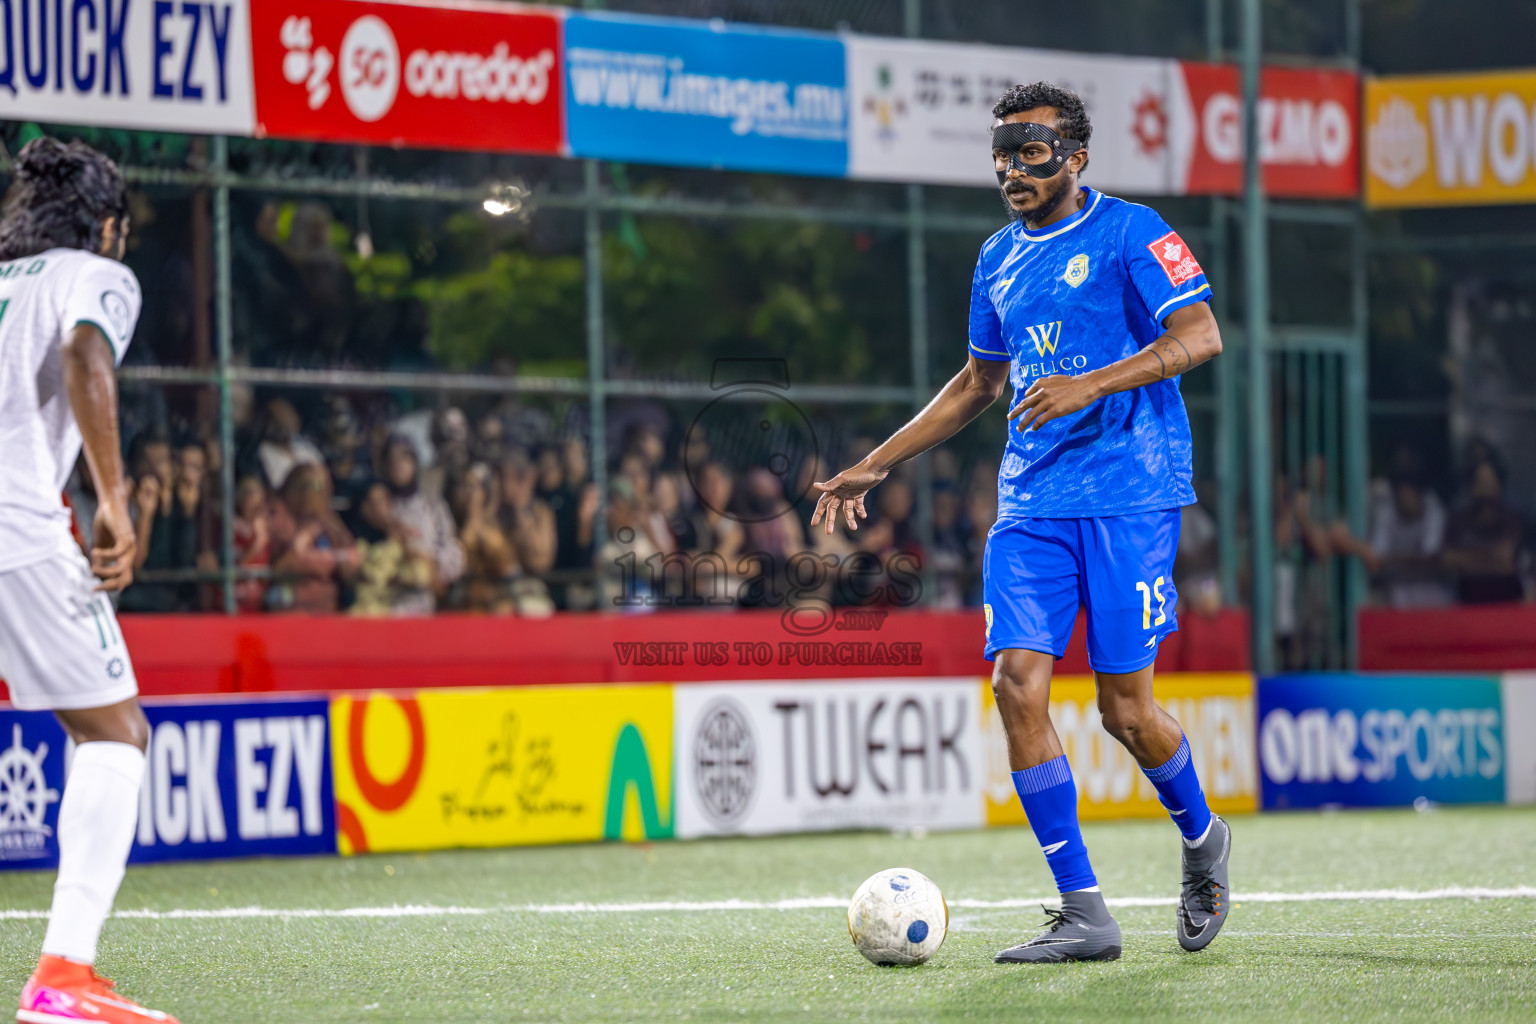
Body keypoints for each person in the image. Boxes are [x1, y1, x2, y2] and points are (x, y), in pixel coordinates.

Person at [812, 83, 1229, 964]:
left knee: (1126, 712)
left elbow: (1200, 336)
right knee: (1015, 685)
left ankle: (1201, 837)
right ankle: (1085, 911)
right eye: (1002, 154)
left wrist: (1093, 381)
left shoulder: (1131, 231)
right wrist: (874, 462)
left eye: (1032, 152)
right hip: (1032, 504)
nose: (1012, 170)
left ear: (1076, 157)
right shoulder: (996, 257)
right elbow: (977, 385)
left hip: (1131, 494)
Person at [0, 137, 181, 1022]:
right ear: (107, 225)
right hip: (15, 533)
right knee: (115, 734)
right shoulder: (92, 272)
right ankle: (64, 979)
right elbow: (84, 355)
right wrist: (114, 500)